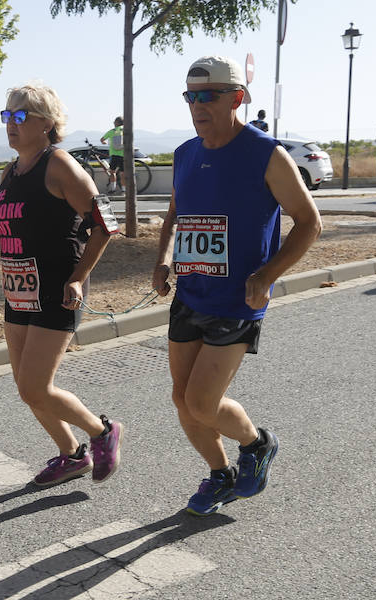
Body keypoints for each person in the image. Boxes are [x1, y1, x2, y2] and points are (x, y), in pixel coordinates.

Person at [152, 56, 322, 516]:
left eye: (208, 96)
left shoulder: (266, 154)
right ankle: (220, 475)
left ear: (237, 98)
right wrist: (164, 260)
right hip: (190, 294)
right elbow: (174, 215)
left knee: (202, 401)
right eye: (191, 96)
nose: (197, 105)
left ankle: (257, 442)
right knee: (181, 399)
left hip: (237, 301)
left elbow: (309, 223)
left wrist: (267, 275)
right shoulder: (186, 153)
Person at [0, 83, 124, 487]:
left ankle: (102, 431)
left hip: (57, 289)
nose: (10, 124)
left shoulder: (59, 165)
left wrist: (79, 278)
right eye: (6, 116)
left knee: (35, 386)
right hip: (17, 289)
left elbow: (106, 223)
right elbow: (3, 219)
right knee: (27, 389)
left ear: (46, 123)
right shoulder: (11, 170)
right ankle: (72, 455)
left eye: (20, 116)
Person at [100, 116, 125, 194]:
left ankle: (113, 189)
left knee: (112, 172)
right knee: (122, 173)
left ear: (116, 123)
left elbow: (102, 139)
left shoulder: (112, 131)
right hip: (123, 154)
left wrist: (104, 142)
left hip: (114, 155)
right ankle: (124, 190)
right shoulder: (126, 130)